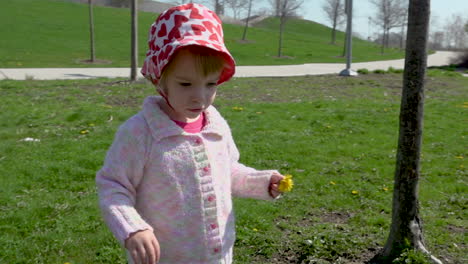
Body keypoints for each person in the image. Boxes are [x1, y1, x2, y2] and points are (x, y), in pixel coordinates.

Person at [96, 3, 285, 264]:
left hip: (216, 254)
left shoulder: (216, 126)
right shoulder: (140, 133)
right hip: (166, 256)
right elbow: (113, 185)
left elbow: (227, 171)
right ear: (159, 78)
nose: (200, 97)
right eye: (185, 84)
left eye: (211, 84)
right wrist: (132, 227)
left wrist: (261, 182)